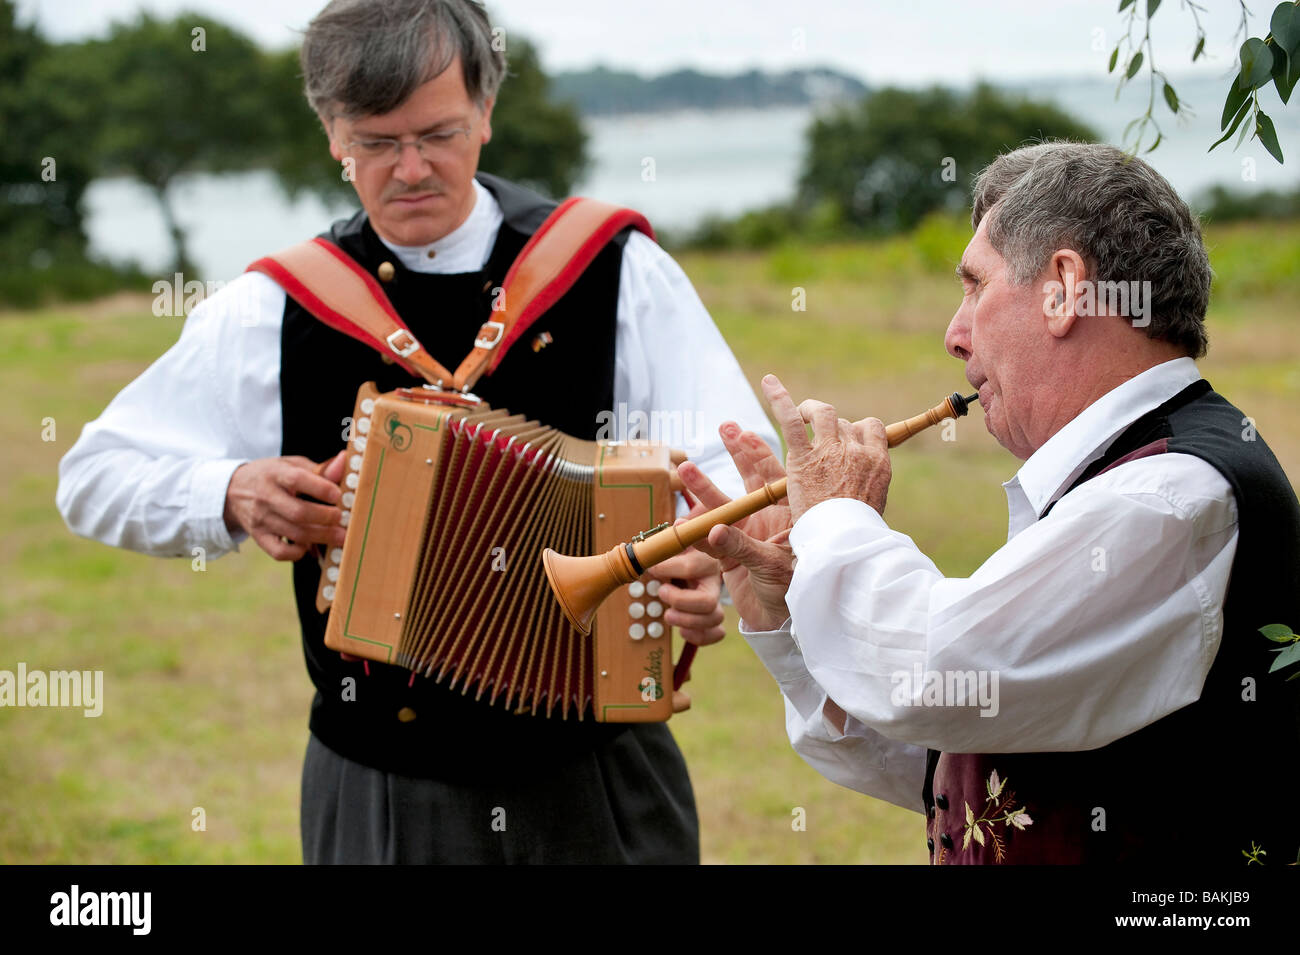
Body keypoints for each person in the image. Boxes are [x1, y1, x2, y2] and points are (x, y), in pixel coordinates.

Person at [56, 0, 777, 864]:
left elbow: (730, 473)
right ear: (331, 133)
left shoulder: (612, 267)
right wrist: (231, 492)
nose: (410, 169)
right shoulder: (276, 307)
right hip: (382, 785)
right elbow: (91, 477)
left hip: (600, 769)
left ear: (485, 109)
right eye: (375, 141)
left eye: (437, 133)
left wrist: (710, 563)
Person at [677, 141, 1300, 865]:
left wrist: (835, 519)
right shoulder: (1121, 480)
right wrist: (786, 611)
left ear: (1064, 287)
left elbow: (934, 678)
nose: (954, 333)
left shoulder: (1169, 496)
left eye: (975, 286)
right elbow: (960, 764)